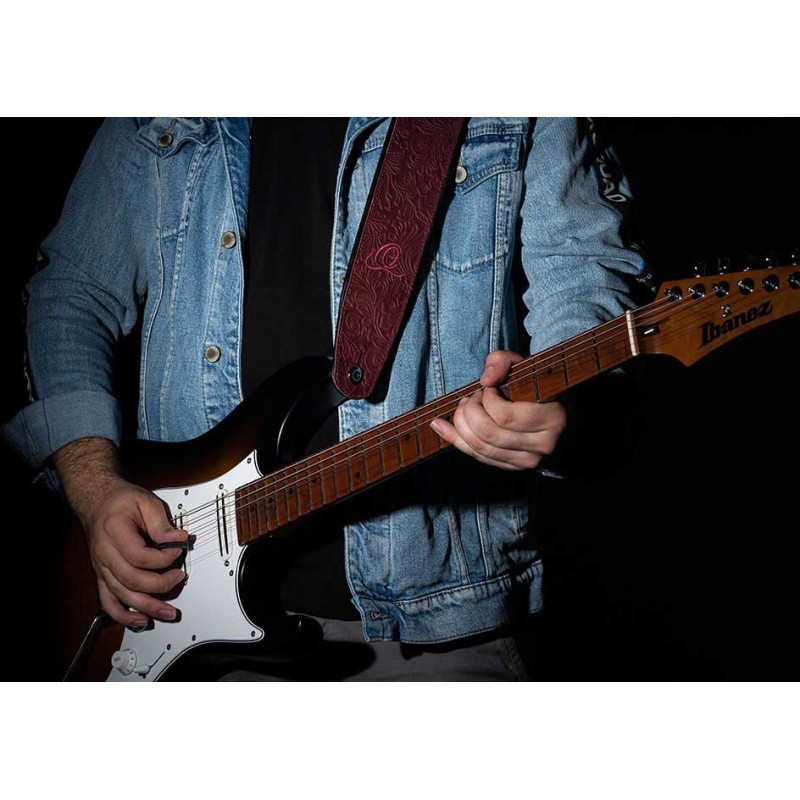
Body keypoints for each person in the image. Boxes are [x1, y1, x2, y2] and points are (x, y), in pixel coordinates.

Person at [2, 117, 646, 681]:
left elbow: (583, 277)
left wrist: (570, 404)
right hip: (180, 608)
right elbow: (72, 293)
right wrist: (95, 489)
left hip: (441, 627)